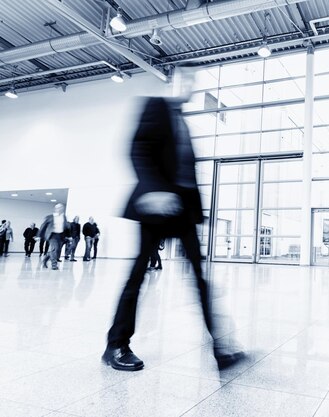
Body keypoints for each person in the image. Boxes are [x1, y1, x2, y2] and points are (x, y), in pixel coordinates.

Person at [102, 64, 244, 372]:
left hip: (182, 213)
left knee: (199, 278)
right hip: (155, 207)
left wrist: (196, 213)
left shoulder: (182, 122)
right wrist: (154, 190)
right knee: (137, 276)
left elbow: (185, 172)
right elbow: (137, 149)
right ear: (171, 82)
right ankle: (116, 345)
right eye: (184, 79)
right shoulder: (155, 107)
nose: (189, 86)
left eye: (193, 81)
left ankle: (221, 347)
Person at [39, 204, 69, 270]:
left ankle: (45, 259)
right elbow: (43, 226)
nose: (60, 209)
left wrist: (68, 236)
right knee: (54, 249)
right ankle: (54, 265)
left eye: (61, 208)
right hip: (52, 235)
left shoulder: (64, 217)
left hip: (61, 236)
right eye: (58, 208)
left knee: (57, 251)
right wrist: (39, 236)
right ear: (55, 209)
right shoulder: (50, 217)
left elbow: (66, 227)